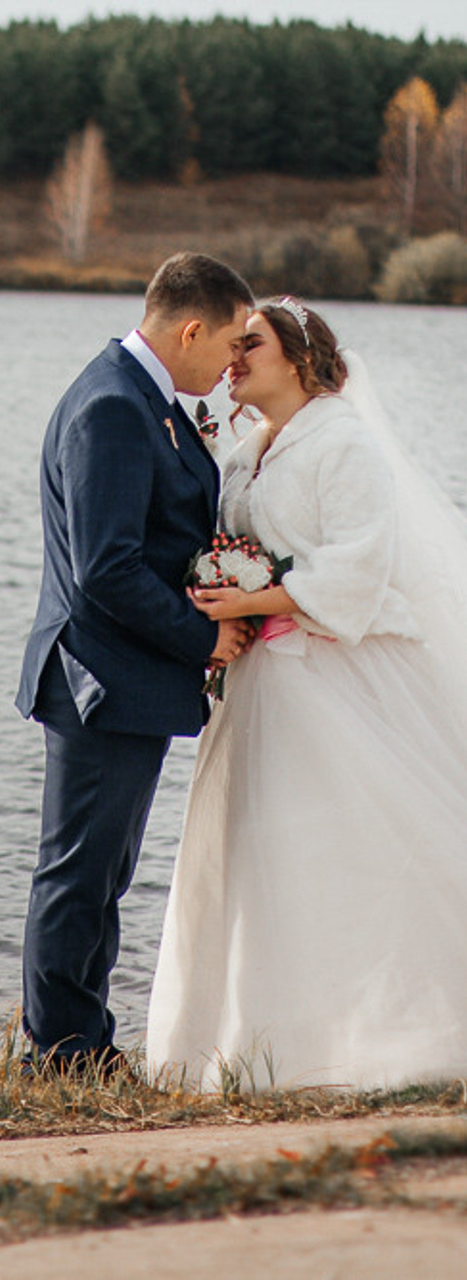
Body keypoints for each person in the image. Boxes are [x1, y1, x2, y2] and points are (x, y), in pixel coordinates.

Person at [147, 298, 467, 1089]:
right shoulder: (247, 449)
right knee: (258, 855)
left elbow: (360, 564)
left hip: (330, 674)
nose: (233, 354)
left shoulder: (344, 440)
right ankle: (255, 1045)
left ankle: (390, 1038)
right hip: (256, 680)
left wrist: (252, 600)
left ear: (296, 357)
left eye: (249, 342)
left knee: (343, 850)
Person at [15, 252, 255, 1075]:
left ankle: (81, 1041)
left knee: (103, 871)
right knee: (79, 872)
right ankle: (59, 1052)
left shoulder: (147, 400)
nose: (231, 365)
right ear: (189, 328)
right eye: (227, 344)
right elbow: (105, 567)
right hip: (99, 681)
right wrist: (205, 637)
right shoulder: (114, 407)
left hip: (125, 681)